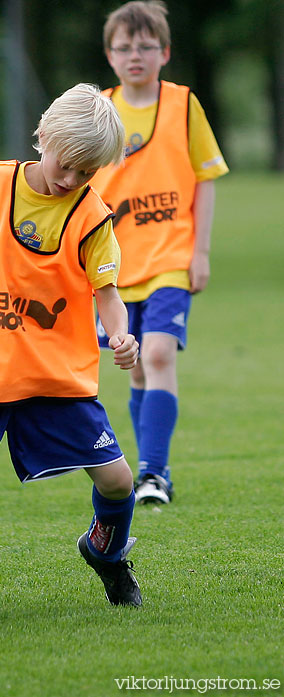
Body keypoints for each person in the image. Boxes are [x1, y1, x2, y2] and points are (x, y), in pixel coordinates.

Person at [0, 83, 143, 606]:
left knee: (119, 482)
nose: (71, 180)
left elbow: (108, 294)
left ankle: (106, 552)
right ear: (43, 136)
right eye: (65, 165)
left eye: (87, 172)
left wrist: (120, 332)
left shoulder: (92, 216)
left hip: (54, 374)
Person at [91, 1, 229, 505]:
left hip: (171, 257)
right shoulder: (99, 110)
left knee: (156, 352)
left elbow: (206, 178)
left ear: (164, 52)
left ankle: (152, 474)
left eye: (146, 46)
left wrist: (201, 252)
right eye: (124, 47)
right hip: (114, 266)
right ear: (109, 55)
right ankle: (153, 468)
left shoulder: (183, 104)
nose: (135, 55)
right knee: (137, 366)